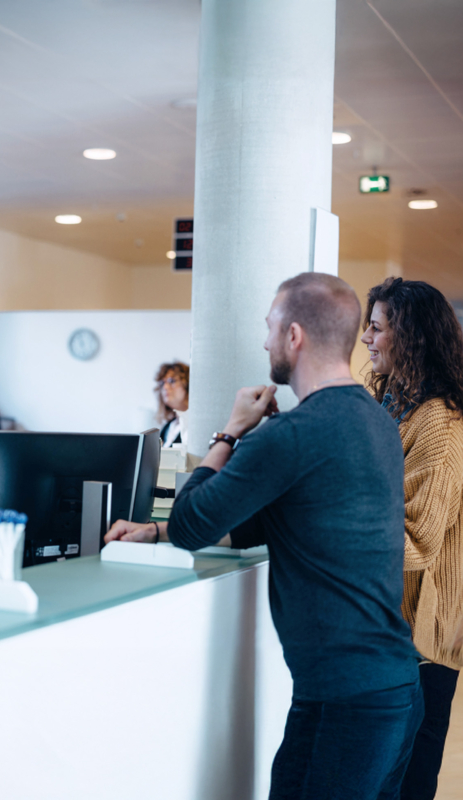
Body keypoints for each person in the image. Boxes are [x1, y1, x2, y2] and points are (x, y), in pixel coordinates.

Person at [106, 272, 423, 800]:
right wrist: (154, 530)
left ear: (294, 336)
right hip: (383, 687)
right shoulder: (374, 419)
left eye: (270, 326)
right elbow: (266, 520)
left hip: (349, 699)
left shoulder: (290, 435)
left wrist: (229, 432)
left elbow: (192, 524)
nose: (264, 340)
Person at [361, 277, 463, 800]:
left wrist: (330, 533)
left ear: (410, 336)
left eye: (376, 328)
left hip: (420, 638)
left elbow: (418, 540)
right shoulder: (396, 404)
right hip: (391, 630)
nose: (366, 340)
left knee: (406, 783)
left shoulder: (439, 423)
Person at [155, 361, 189, 446]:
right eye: (162, 383)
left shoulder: (196, 426)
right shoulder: (167, 428)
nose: (165, 387)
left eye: (171, 381)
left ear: (187, 384)